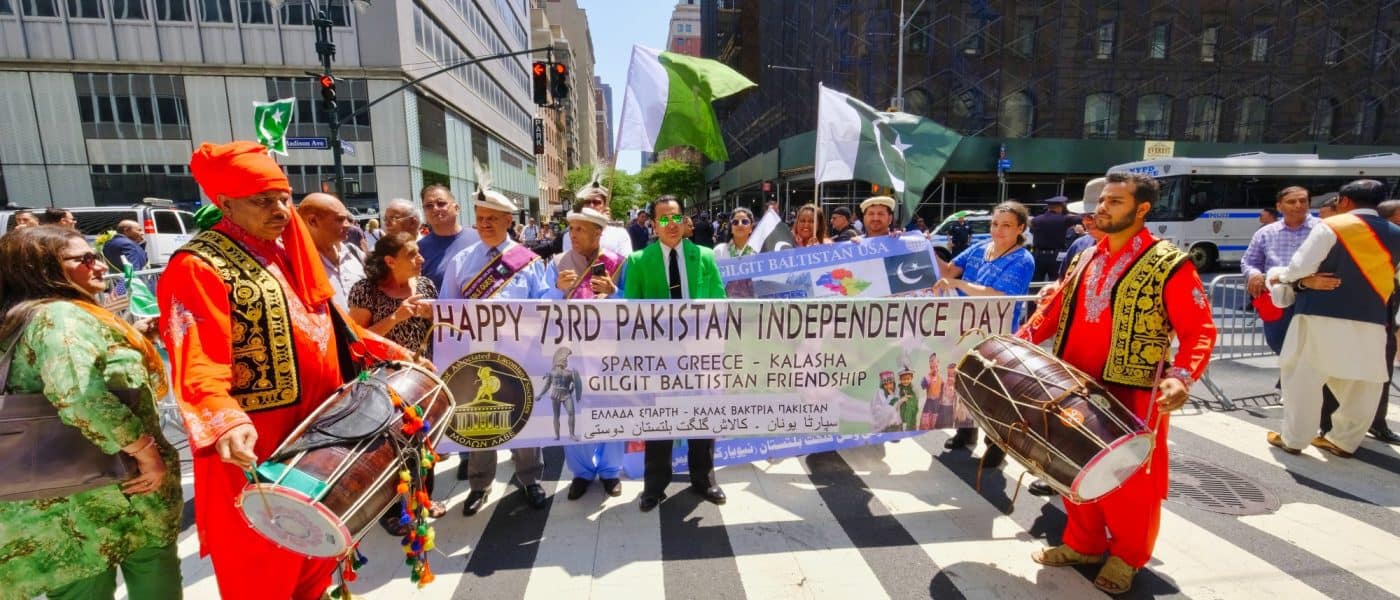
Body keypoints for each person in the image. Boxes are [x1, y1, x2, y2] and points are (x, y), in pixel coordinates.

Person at [157, 141, 416, 600]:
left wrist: (388, 349)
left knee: (313, 561)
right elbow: (196, 358)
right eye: (263, 200)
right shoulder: (198, 266)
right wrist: (225, 418)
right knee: (262, 571)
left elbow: (330, 325)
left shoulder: (283, 254)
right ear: (225, 203)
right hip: (258, 446)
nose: (279, 209)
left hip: (317, 435)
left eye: (283, 198)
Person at [1019, 172, 1216, 595]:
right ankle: (1083, 544)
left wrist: (1182, 377)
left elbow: (1199, 329)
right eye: (1102, 200)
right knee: (1071, 466)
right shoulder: (1085, 256)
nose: (1101, 208)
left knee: (1129, 482)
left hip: (1133, 390)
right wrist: (1014, 349)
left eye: (1114, 201)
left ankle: (1127, 557)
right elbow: (1051, 313)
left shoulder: (1170, 263)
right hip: (1072, 382)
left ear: (1142, 209)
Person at [0, 226, 182, 600]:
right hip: (108, 497)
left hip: (80, 505)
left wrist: (133, 337)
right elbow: (81, 396)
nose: (99, 265)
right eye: (83, 259)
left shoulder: (35, 315)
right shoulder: (59, 317)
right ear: (43, 270)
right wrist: (147, 455)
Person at [441, 171, 553, 515]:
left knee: (524, 420)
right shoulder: (461, 262)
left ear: (508, 221)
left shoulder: (529, 262)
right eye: (481, 219)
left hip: (521, 357)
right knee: (480, 423)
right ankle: (479, 484)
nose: (486, 224)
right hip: (477, 358)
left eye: (492, 219)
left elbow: (545, 308)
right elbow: (448, 312)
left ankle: (530, 478)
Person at [1267, 179, 1400, 457]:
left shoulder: (1332, 227)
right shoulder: (1396, 234)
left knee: (1302, 376)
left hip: (1319, 314)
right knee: (1362, 383)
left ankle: (1294, 438)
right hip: (1372, 319)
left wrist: (1290, 279)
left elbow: (1299, 266)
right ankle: (1343, 440)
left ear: (1345, 201)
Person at [623, 195, 727, 512]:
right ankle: (654, 486)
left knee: (701, 418)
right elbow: (631, 313)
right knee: (659, 423)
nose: (670, 224)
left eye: (675, 217)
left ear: (684, 221)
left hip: (698, 356)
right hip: (659, 359)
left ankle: (704, 479)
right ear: (653, 224)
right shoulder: (639, 261)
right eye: (663, 219)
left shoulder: (705, 257)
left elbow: (720, 302)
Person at [348, 231, 446, 533]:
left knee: (423, 441)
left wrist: (433, 315)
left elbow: (439, 330)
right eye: (412, 255)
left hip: (421, 380)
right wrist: (396, 317)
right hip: (383, 383)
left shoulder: (426, 285)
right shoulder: (365, 291)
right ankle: (391, 511)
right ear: (390, 261)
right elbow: (356, 341)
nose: (421, 259)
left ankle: (424, 498)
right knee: (388, 447)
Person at [934, 201, 1036, 461]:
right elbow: (947, 270)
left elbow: (997, 294)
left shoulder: (1023, 259)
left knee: (994, 390)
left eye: (1006, 226)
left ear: (1020, 228)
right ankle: (966, 431)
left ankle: (997, 444)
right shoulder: (980, 248)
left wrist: (958, 283)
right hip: (964, 326)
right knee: (963, 381)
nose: (998, 230)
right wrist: (919, 246)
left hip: (997, 332)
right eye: (994, 224)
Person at [1319, 199, 1400, 444]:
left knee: (1379, 375)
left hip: (1383, 322)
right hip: (1350, 320)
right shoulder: (1353, 243)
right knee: (1337, 371)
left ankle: (1377, 422)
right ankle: (1329, 425)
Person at [1240, 187, 1319, 358]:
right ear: (1279, 206)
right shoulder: (1266, 233)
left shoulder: (1322, 230)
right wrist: (1253, 274)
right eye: (1291, 202)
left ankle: (1298, 382)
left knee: (1312, 348)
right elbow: (1249, 261)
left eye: (1303, 201)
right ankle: (1291, 379)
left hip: (1313, 297)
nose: (1298, 205)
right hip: (1276, 298)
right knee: (1278, 341)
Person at [299, 193, 366, 310]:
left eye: (347, 219)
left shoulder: (354, 254)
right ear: (313, 221)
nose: (348, 225)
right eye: (340, 219)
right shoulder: (295, 264)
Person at [418, 183, 481, 290]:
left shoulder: (481, 239)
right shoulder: (418, 249)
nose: (435, 208)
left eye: (441, 203)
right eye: (429, 206)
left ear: (456, 208)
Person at [570, 169, 635, 257]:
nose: (591, 206)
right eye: (587, 202)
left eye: (596, 202)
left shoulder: (620, 234)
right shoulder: (567, 236)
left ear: (605, 206)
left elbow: (627, 265)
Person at [1058, 179, 1108, 280]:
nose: (1086, 221)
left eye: (1092, 216)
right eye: (1083, 216)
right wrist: (1052, 288)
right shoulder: (1079, 244)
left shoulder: (1134, 251)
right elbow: (1062, 280)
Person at [1030, 196, 1075, 281]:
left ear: (1048, 208)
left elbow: (1032, 231)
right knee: (1055, 283)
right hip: (1056, 256)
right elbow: (1080, 219)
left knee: (1035, 283)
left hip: (1038, 256)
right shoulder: (1065, 219)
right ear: (1060, 207)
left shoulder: (1036, 220)